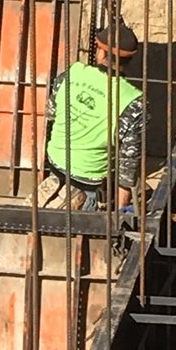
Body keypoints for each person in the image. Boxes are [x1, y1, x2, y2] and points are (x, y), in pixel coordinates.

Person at [43, 18, 146, 210]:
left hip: (56, 166)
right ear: (129, 60)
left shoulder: (72, 73)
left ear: (101, 52)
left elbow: (50, 115)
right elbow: (127, 167)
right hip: (91, 182)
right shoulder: (133, 101)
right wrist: (119, 214)